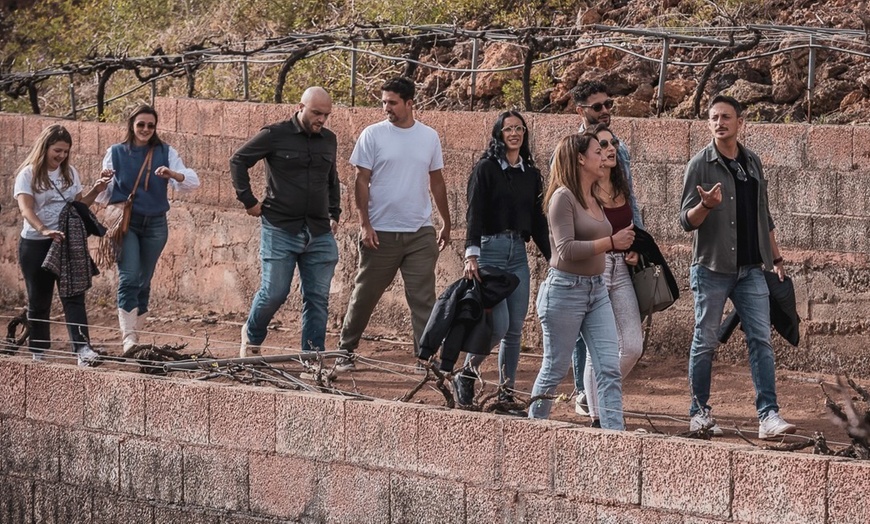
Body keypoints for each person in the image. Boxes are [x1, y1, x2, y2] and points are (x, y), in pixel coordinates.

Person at [679, 94, 796, 440]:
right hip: (712, 268)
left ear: (740, 122)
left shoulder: (753, 162)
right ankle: (699, 413)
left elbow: (764, 215)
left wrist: (776, 258)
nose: (719, 123)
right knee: (705, 341)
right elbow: (685, 221)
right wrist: (705, 206)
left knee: (761, 339)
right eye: (714, 118)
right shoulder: (700, 164)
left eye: (726, 117)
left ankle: (768, 415)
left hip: (750, 269)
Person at [336, 76, 451, 371]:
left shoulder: (429, 137)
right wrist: (364, 224)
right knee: (365, 294)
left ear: (410, 103)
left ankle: (425, 359)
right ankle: (345, 350)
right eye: (384, 102)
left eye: (392, 102)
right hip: (380, 233)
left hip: (419, 232)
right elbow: (361, 180)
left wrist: (446, 222)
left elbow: (436, 181)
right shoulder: (372, 135)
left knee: (424, 298)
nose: (386, 107)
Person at [527, 132, 635, 430]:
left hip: (595, 289)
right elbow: (566, 249)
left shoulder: (595, 196)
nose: (605, 156)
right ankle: (533, 428)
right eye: (598, 151)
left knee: (609, 368)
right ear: (580, 158)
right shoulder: (562, 197)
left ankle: (615, 435)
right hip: (565, 290)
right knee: (555, 367)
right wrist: (611, 242)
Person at [230, 87, 341, 357]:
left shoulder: (328, 139)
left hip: (318, 230)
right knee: (274, 292)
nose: (321, 120)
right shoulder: (275, 134)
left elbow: (331, 178)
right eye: (316, 113)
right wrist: (249, 201)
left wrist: (334, 213)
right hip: (280, 227)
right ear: (300, 107)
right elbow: (238, 160)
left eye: (326, 115)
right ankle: (252, 336)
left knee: (317, 298)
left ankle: (312, 358)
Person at [456, 110, 550, 410]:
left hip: (517, 253)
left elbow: (537, 221)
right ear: (498, 134)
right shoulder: (486, 169)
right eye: (508, 129)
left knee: (515, 329)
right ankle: (467, 374)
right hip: (490, 250)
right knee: (498, 325)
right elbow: (474, 213)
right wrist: (471, 254)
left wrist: (555, 257)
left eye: (519, 129)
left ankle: (506, 392)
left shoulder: (530, 174)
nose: (514, 134)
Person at [97, 104, 200, 351]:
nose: (145, 129)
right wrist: (103, 182)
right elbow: (104, 195)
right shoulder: (116, 152)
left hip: (155, 223)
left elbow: (192, 181)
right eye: (141, 124)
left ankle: (135, 335)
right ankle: (128, 338)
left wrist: (173, 175)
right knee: (129, 277)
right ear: (131, 124)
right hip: (127, 223)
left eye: (150, 125)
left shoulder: (166, 151)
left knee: (144, 280)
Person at [570, 81, 644, 416]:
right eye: (597, 107)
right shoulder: (571, 153)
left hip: (621, 263)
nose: (605, 112)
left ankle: (593, 395)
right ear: (581, 110)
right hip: (591, 265)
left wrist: (638, 244)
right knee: (591, 346)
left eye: (609, 105)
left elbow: (632, 203)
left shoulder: (621, 150)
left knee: (630, 345)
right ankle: (597, 411)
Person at [14, 124, 111, 365]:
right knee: (39, 298)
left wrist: (97, 190)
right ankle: (38, 352)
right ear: (45, 148)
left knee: (74, 295)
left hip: (67, 241)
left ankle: (83, 350)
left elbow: (78, 206)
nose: (61, 156)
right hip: (37, 242)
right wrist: (44, 229)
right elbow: (26, 209)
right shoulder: (28, 174)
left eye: (66, 152)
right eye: (57, 150)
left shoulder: (70, 173)